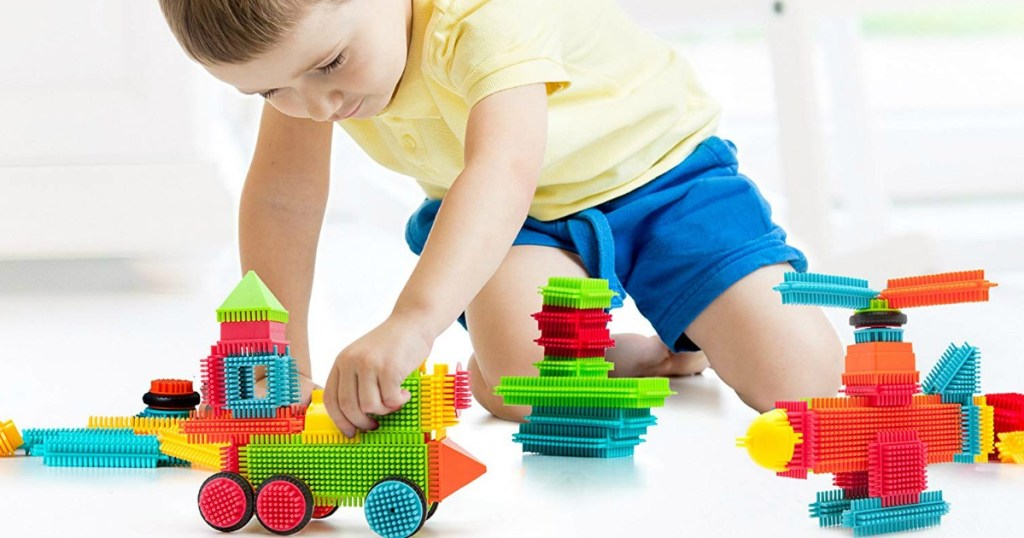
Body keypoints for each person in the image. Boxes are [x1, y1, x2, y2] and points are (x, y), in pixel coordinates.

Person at [158, 0, 844, 438]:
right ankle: (634, 353)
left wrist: (411, 322)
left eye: (332, 64)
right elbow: (283, 198)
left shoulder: (483, 16)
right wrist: (283, 361)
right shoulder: (308, 68)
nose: (317, 104)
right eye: (271, 90)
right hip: (526, 228)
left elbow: (502, 171)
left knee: (801, 383)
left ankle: (702, 313)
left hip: (663, 180)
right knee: (527, 390)